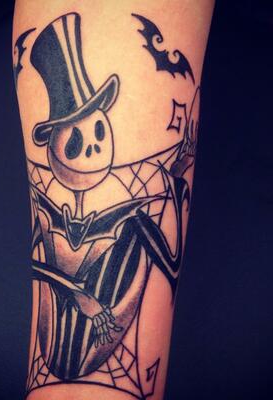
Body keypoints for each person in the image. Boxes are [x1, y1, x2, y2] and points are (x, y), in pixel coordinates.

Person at [13, 1, 214, 398]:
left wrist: (174, 185)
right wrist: (77, 294)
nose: (92, 148)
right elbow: (40, 264)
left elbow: (170, 263)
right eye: (76, 139)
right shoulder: (53, 218)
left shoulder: (131, 223)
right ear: (52, 147)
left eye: (100, 132)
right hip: (60, 344)